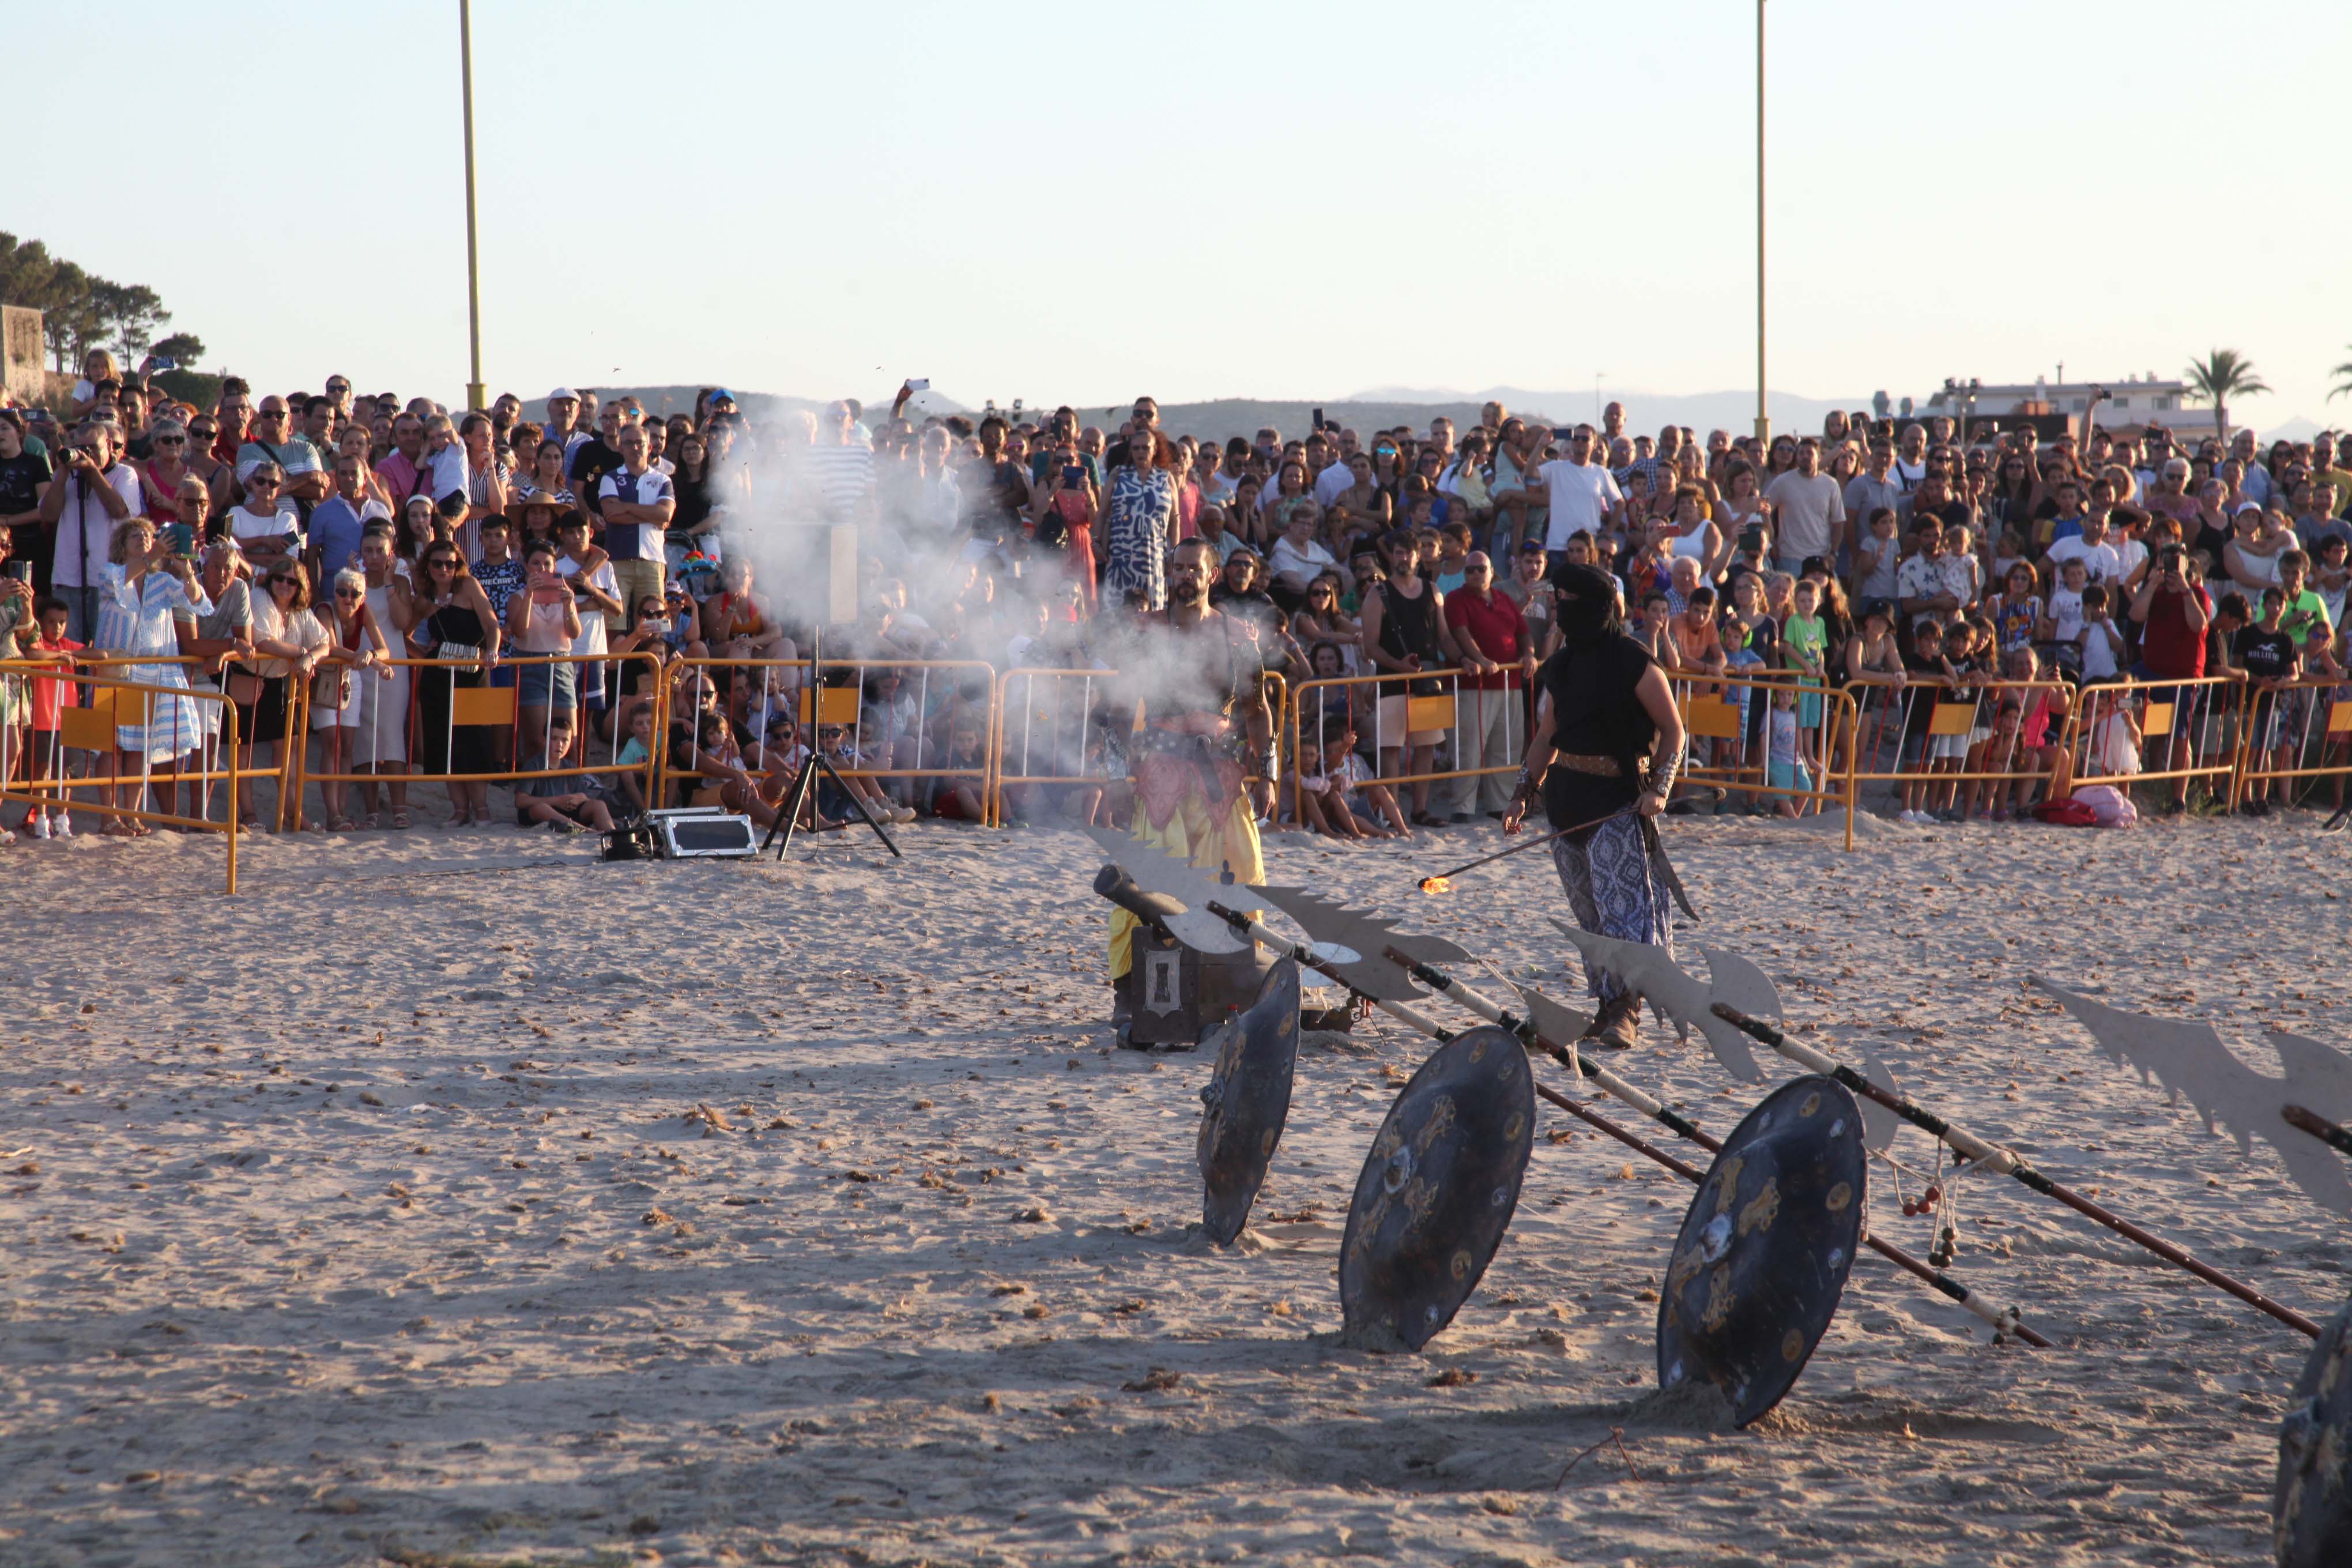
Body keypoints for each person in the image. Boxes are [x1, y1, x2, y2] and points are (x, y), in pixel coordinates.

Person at [1502, 563, 1689, 1050]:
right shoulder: (1562, 665)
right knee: (1590, 915)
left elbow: (1674, 730)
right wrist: (1522, 794)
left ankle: (1627, 1007)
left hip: (1617, 803)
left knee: (1622, 909)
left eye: (1568, 601)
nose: (1560, 610)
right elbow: (1546, 737)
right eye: (1558, 600)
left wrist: (1660, 789)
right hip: (1566, 802)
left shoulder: (1634, 661)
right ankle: (1606, 1003)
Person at [1106, 537, 1272, 1039]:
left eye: (1193, 569)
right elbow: (1117, 710)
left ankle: (1232, 985)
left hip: (1220, 775)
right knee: (1149, 879)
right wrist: (1116, 776)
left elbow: (1257, 708)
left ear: (1212, 575)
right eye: (1177, 568)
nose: (1184, 576)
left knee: (1239, 875)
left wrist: (1267, 772)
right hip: (1161, 773)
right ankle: (1129, 992)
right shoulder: (1145, 632)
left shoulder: (1237, 635)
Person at [1358, 527, 1470, 827]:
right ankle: (1393, 814)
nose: (1403, 558)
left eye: (1409, 553)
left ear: (1419, 556)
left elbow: (1444, 637)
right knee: (1391, 749)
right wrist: (1398, 665)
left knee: (1426, 747)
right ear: (1391, 556)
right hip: (1391, 680)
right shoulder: (1377, 594)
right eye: (1398, 553)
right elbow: (1370, 645)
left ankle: (1419, 811)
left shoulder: (1433, 591)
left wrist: (1464, 659)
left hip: (1428, 679)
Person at [1442, 551, 1529, 821]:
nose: (1476, 574)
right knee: (1468, 748)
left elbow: (1523, 632)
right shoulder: (1456, 599)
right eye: (1470, 570)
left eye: (1481, 569)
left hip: (1509, 682)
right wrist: (1481, 659)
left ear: (1492, 571)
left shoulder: (1504, 599)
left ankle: (1500, 804)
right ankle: (1462, 807)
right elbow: (1460, 633)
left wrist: (1529, 654)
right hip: (1473, 685)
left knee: (1507, 746)